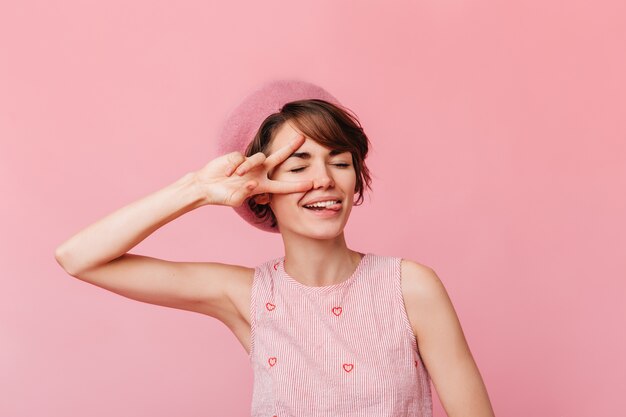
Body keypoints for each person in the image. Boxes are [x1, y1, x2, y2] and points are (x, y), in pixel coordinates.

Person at [54, 80, 495, 417]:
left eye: (340, 162)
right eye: (298, 166)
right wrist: (199, 189)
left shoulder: (409, 286)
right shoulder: (245, 296)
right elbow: (78, 257)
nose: (325, 179)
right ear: (260, 189)